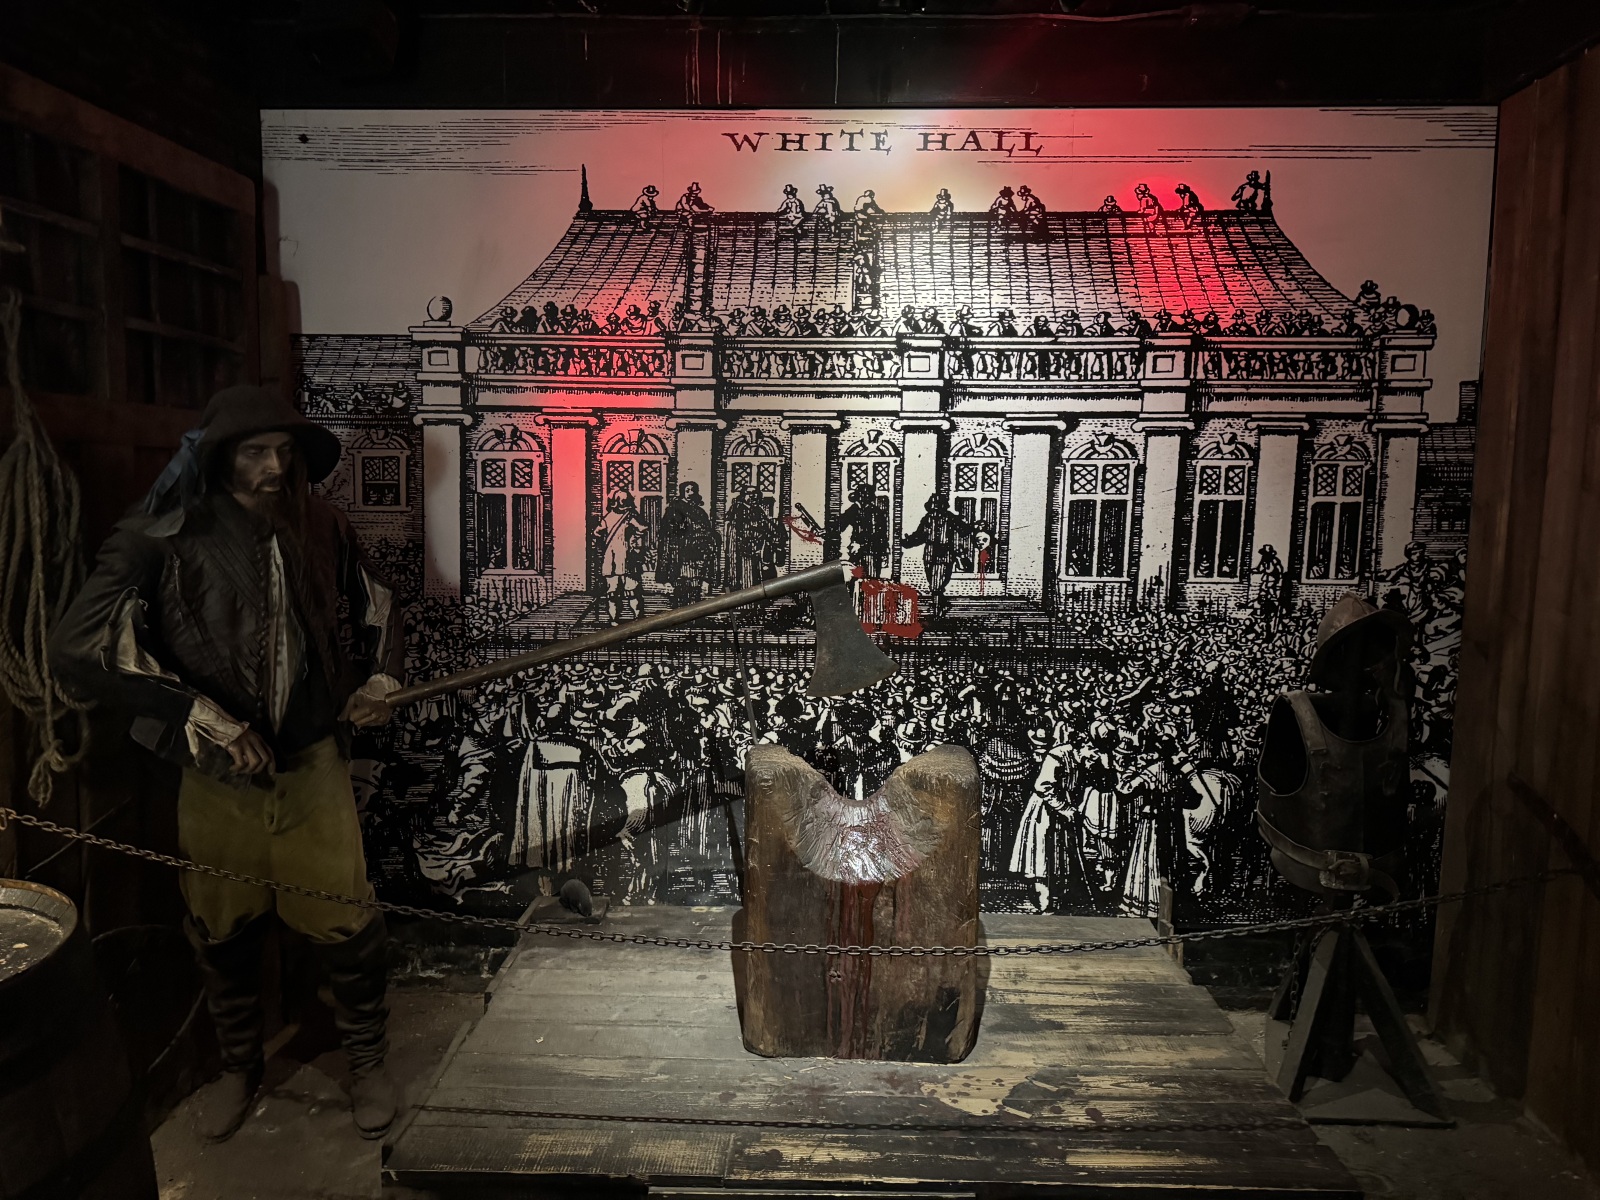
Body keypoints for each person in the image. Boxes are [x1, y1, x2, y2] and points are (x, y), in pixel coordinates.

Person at [49, 385, 406, 1143]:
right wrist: (196, 712)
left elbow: (377, 603)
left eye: (283, 451)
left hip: (311, 761)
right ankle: (240, 1066)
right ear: (220, 458)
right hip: (216, 775)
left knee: (346, 923)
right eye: (255, 452)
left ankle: (368, 1063)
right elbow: (78, 645)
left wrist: (381, 679)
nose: (274, 467)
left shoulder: (322, 524)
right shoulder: (162, 535)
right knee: (220, 928)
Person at [902, 491, 972, 618]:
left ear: (943, 506)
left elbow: (965, 530)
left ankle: (937, 609)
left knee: (937, 584)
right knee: (933, 583)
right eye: (933, 506)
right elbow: (919, 536)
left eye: (938, 505)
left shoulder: (950, 518)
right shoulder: (927, 519)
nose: (935, 509)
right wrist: (907, 542)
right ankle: (940, 604)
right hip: (929, 555)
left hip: (944, 554)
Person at [656, 480, 718, 604]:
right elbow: (668, 533)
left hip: (697, 554)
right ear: (682, 492)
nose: (690, 493)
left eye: (693, 490)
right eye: (687, 490)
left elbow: (707, 531)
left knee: (696, 584)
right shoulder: (674, 510)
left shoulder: (700, 512)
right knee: (682, 584)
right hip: (680, 553)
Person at [593, 490, 648, 625]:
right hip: (612, 557)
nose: (622, 503)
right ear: (616, 501)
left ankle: (637, 618)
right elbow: (596, 532)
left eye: (624, 500)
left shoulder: (630, 516)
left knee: (631, 590)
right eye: (620, 500)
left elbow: (642, 528)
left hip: (627, 558)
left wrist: (633, 540)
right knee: (612, 592)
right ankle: (614, 620)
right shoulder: (609, 517)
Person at [724, 484, 784, 589]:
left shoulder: (758, 510)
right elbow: (739, 528)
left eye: (756, 494)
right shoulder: (738, 508)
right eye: (750, 494)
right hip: (745, 550)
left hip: (757, 549)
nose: (754, 496)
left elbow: (765, 525)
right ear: (743, 495)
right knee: (747, 575)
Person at [835, 481, 891, 577]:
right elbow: (842, 523)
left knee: (869, 579)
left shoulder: (876, 513)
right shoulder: (855, 509)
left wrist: (861, 545)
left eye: (858, 498)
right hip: (856, 552)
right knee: (855, 578)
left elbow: (878, 536)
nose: (856, 502)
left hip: (871, 554)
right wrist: (828, 530)